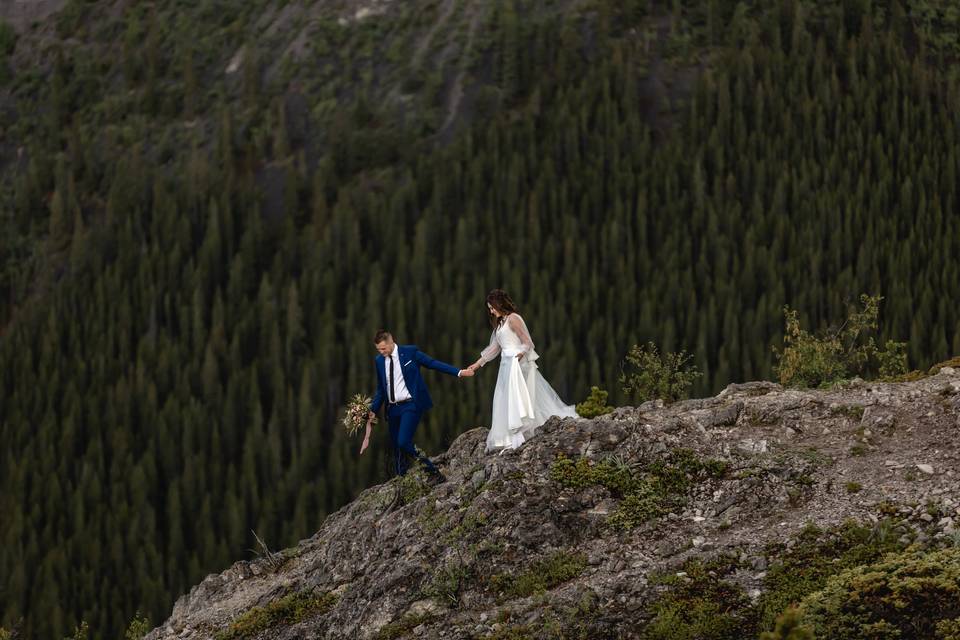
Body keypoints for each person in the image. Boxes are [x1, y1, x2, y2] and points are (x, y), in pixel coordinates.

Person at [467, 290, 578, 452]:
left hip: (517, 365)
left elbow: (527, 342)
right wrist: (477, 364)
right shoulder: (500, 324)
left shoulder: (513, 319)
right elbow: (494, 348)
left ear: (500, 304)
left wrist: (519, 355)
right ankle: (509, 435)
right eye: (489, 308)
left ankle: (520, 434)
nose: (491, 311)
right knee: (505, 398)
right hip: (506, 366)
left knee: (520, 398)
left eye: (492, 307)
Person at [361, 329, 474, 480]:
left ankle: (432, 472)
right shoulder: (379, 361)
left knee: (403, 441)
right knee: (397, 447)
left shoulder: (410, 352)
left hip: (410, 405)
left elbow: (433, 364)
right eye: (378, 349)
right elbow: (381, 389)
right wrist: (372, 410)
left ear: (391, 341)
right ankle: (402, 479)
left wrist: (459, 372)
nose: (381, 352)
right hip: (393, 409)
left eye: (383, 348)